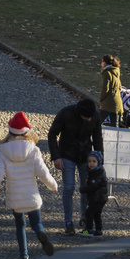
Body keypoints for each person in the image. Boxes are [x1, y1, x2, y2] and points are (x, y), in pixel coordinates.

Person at [0, 111, 58, 259]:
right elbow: (43, 173)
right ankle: (41, 234)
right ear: (27, 131)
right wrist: (53, 186)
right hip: (31, 196)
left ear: (10, 130)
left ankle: (24, 257)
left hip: (15, 198)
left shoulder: (3, 151)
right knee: (37, 223)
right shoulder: (33, 150)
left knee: (20, 225)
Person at [46, 97, 102, 235]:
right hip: (67, 154)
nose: (89, 120)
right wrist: (56, 156)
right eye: (86, 117)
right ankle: (68, 221)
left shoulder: (95, 115)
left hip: (86, 156)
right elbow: (52, 134)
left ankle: (85, 217)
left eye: (91, 117)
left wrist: (99, 159)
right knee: (69, 188)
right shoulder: (65, 113)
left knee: (87, 188)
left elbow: (97, 137)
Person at [81, 151, 111, 236]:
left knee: (89, 212)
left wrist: (83, 189)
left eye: (94, 161)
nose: (91, 163)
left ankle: (89, 229)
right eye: (89, 161)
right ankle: (98, 230)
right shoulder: (94, 171)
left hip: (97, 198)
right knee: (97, 214)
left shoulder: (98, 173)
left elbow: (93, 186)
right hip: (98, 197)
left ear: (98, 162)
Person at [98, 55, 122, 126]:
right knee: (115, 125)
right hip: (117, 102)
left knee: (97, 122)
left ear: (105, 63)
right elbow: (120, 87)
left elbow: (105, 89)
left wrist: (101, 99)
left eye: (102, 61)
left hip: (108, 103)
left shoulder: (107, 73)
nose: (101, 63)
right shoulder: (116, 71)